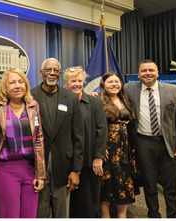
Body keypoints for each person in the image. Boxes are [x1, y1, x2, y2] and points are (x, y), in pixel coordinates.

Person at [124, 60, 176, 218]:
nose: (148, 73)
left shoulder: (173, 90)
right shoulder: (128, 89)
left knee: (171, 185)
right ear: (138, 75)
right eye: (144, 70)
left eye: (151, 70)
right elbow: (111, 98)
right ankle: (154, 215)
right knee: (149, 184)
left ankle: (174, 216)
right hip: (143, 143)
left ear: (157, 73)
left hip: (169, 144)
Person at [31, 58, 84, 218]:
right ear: (41, 72)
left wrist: (76, 170)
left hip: (64, 166)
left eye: (55, 70)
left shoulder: (71, 98)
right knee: (40, 212)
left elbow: (78, 137)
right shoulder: (30, 96)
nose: (52, 73)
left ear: (60, 74)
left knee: (62, 212)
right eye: (48, 70)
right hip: (37, 165)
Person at [0, 68, 45, 218]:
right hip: (5, 169)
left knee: (29, 215)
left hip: (29, 170)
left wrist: (40, 174)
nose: (17, 86)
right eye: (12, 82)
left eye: (21, 82)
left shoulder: (33, 106)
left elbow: (39, 139)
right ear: (5, 87)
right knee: (10, 215)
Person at [64, 67, 107, 218]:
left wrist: (98, 157)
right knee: (69, 204)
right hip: (67, 162)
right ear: (66, 83)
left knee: (89, 203)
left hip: (89, 162)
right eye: (73, 81)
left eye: (80, 81)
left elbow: (102, 131)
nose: (77, 84)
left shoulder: (94, 103)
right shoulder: (61, 102)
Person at [97, 71, 137, 218]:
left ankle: (122, 217)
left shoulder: (125, 100)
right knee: (106, 187)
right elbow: (95, 128)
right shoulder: (98, 101)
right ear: (103, 85)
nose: (114, 84)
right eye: (110, 82)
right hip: (108, 151)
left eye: (117, 81)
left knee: (124, 185)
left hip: (125, 150)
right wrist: (100, 149)